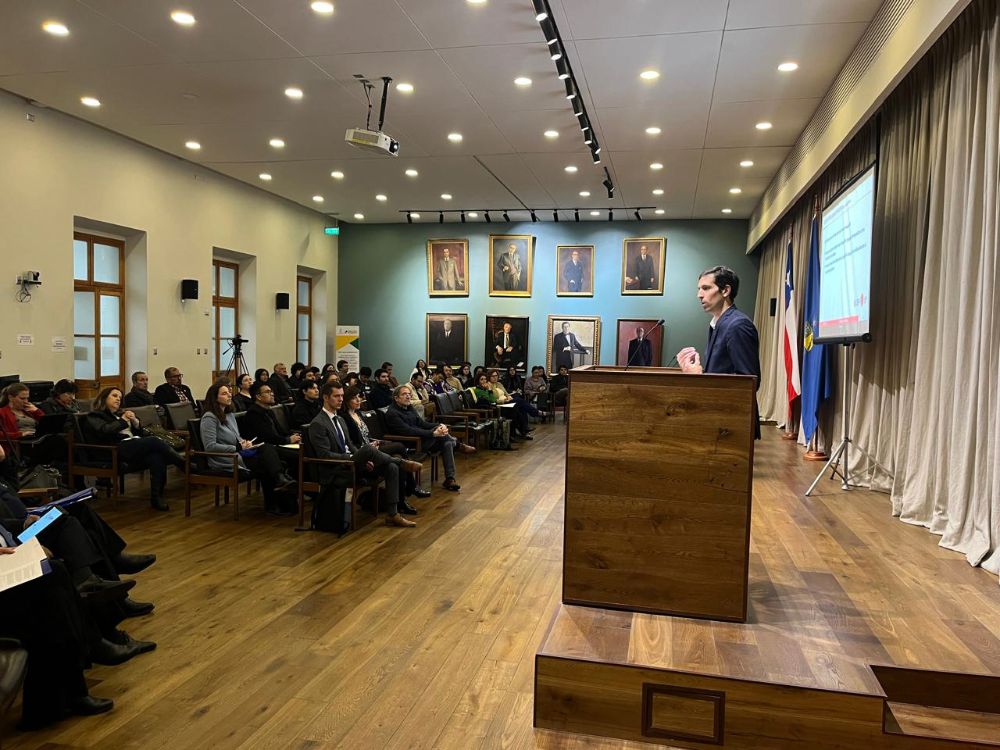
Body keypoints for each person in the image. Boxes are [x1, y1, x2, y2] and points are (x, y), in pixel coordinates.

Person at [308, 382, 422, 528]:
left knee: (391, 467)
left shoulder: (340, 419)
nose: (341, 399)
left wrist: (361, 458)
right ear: (325, 397)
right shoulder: (318, 423)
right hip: (336, 470)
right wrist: (353, 458)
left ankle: (392, 514)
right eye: (337, 396)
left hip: (353, 464)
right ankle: (402, 463)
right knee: (369, 449)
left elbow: (350, 445)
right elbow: (324, 455)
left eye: (342, 396)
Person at [676, 265, 762, 438]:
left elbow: (748, 382)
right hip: (721, 420)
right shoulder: (720, 323)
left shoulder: (738, 325)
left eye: (706, 288)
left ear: (725, 291)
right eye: (699, 289)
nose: (699, 295)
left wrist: (699, 376)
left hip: (732, 423)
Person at [200, 382, 296, 516]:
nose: (229, 395)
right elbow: (210, 447)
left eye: (229, 392)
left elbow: (236, 436)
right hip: (225, 459)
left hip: (239, 453)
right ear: (214, 397)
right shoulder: (209, 417)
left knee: (267, 450)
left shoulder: (229, 414)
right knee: (268, 463)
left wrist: (245, 443)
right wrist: (238, 446)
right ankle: (277, 496)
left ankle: (280, 496)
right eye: (224, 393)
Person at [82, 387, 185, 512]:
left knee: (156, 457)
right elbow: (105, 431)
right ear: (104, 398)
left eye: (119, 397)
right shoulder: (95, 416)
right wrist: (123, 420)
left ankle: (156, 498)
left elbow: (138, 433)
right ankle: (184, 465)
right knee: (153, 440)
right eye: (114, 396)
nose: (118, 399)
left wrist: (136, 423)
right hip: (113, 449)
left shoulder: (119, 414)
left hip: (130, 447)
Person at [339, 384, 428, 506]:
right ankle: (411, 487)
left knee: (398, 456)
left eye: (359, 397)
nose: (359, 400)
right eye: (354, 398)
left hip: (372, 447)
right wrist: (369, 446)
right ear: (347, 400)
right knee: (400, 447)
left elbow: (365, 435)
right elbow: (351, 442)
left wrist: (374, 442)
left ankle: (402, 501)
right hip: (362, 452)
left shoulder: (358, 414)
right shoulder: (344, 418)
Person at [384, 384, 474, 492]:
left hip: (422, 439)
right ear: (396, 398)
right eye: (404, 394)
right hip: (411, 444)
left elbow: (422, 423)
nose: (408, 396)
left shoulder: (409, 407)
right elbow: (408, 431)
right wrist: (433, 433)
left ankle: (450, 479)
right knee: (442, 437)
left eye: (409, 394)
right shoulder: (392, 413)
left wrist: (439, 425)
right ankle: (458, 445)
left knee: (447, 443)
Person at [484, 369, 534, 439]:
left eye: (496, 376)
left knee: (520, 408)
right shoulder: (488, 385)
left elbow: (506, 394)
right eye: (493, 376)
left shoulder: (499, 384)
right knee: (519, 403)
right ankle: (524, 428)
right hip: (499, 406)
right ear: (489, 377)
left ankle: (521, 431)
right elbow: (493, 400)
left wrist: (509, 397)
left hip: (507, 403)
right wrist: (504, 401)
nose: (495, 377)